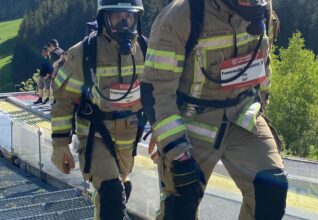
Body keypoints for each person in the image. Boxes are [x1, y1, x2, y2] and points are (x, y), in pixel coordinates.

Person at [140, 0, 288, 219]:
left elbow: (263, 64)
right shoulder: (181, 15)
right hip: (191, 123)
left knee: (272, 191)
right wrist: (174, 149)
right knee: (181, 206)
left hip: (243, 116)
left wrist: (261, 107)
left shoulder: (263, 7)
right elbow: (156, 91)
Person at [50, 0, 146, 219]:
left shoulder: (146, 50)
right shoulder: (82, 53)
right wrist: (59, 144)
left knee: (119, 190)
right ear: (104, 18)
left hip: (129, 138)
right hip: (95, 135)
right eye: (117, 16)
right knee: (112, 193)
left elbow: (158, 94)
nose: (124, 22)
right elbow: (63, 99)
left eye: (129, 16)